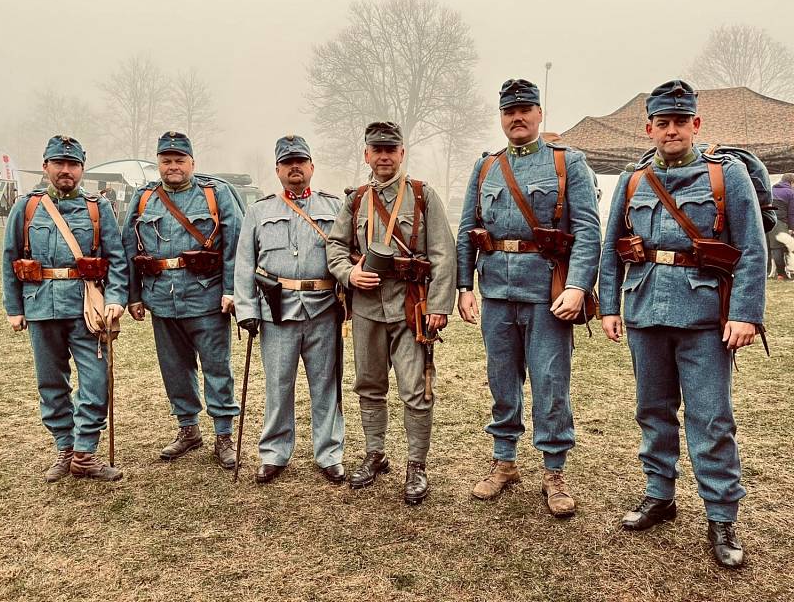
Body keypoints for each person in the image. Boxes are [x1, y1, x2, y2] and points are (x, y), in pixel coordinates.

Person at [598, 80, 767, 568]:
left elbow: (752, 248)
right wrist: (610, 306)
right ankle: (659, 494)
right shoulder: (632, 179)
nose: (671, 131)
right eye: (662, 123)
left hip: (703, 318)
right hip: (645, 310)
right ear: (649, 127)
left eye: (680, 122)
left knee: (711, 418)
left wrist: (745, 314)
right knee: (652, 410)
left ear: (696, 124)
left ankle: (720, 516)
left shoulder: (725, 176)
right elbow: (614, 248)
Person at [456, 79, 601, 517]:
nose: (517, 117)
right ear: (501, 117)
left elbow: (589, 230)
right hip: (496, 290)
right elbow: (467, 230)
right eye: (509, 111)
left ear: (540, 114)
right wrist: (465, 286)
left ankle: (554, 470)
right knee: (501, 380)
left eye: (525, 109)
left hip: (547, 293)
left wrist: (577, 286)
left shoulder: (567, 163)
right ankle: (504, 462)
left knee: (551, 383)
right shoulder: (485, 169)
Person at [326, 121, 456, 505]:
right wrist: (349, 273)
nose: (383, 156)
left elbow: (443, 254)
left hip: (410, 307)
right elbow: (335, 246)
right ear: (366, 154)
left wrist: (438, 305)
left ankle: (416, 465)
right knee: (368, 385)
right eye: (376, 150)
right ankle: (375, 452)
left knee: (416, 390)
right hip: (366, 308)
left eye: (391, 150)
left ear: (402, 153)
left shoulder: (422, 196)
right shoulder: (354, 200)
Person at [2, 135, 128, 481]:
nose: (66, 171)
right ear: (46, 167)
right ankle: (65, 448)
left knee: (96, 381)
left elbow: (116, 259)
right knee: (51, 383)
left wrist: (116, 298)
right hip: (40, 306)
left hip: (86, 309)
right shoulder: (27, 207)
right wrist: (13, 307)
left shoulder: (97, 207)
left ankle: (86, 452)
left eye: (72, 165)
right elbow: (10, 257)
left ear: (82, 169)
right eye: (59, 163)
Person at [121, 132, 242, 470]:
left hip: (206, 296)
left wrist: (231, 290)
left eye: (179, 160)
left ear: (192, 163)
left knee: (217, 369)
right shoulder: (144, 198)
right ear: (158, 163)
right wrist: (134, 296)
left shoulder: (215, 194)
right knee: (174, 369)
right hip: (161, 298)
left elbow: (235, 244)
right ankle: (188, 429)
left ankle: (223, 435)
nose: (173, 166)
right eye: (166, 160)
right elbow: (128, 246)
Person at [233, 135, 345, 484]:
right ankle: (274, 454)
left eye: (301, 161)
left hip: (323, 309)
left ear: (312, 167)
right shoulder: (259, 211)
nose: (294, 167)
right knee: (278, 386)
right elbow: (244, 264)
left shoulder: (335, 207)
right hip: (276, 311)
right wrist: (247, 309)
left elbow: (347, 254)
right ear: (278, 169)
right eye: (287, 162)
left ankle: (329, 453)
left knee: (326, 385)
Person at [768, 173, 794, 279]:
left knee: (774, 248)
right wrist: (792, 227)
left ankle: (780, 274)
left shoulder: (771, 190)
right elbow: (791, 213)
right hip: (780, 222)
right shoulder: (790, 193)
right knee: (782, 248)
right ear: (791, 182)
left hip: (768, 220)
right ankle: (784, 273)